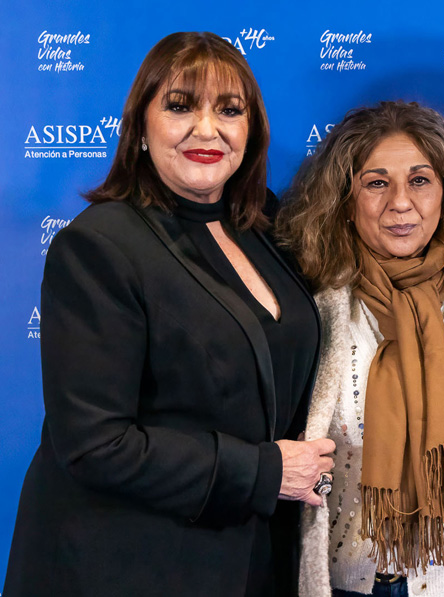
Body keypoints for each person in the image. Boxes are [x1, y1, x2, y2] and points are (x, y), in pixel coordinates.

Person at [4, 32, 334, 596]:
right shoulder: (99, 247)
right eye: (180, 105)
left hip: (245, 557)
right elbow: (95, 445)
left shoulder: (262, 224)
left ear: (250, 131)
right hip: (128, 564)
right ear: (139, 127)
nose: (207, 128)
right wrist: (266, 471)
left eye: (229, 110)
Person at [276, 101, 444, 597]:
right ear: (345, 199)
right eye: (375, 183)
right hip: (349, 581)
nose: (400, 203)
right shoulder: (309, 299)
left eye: (419, 180)